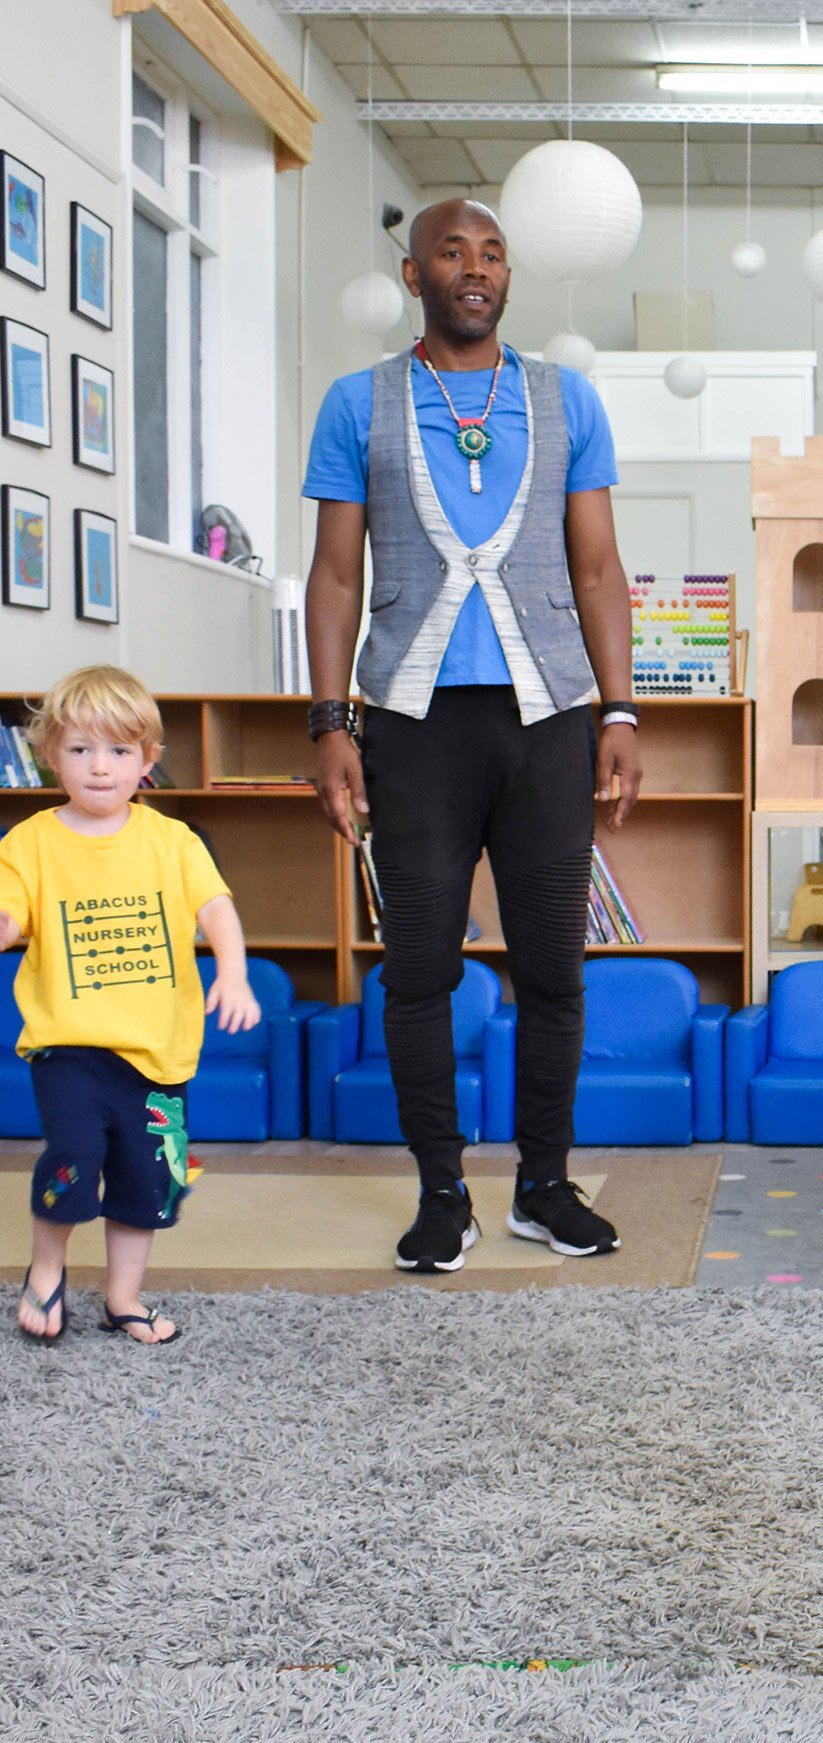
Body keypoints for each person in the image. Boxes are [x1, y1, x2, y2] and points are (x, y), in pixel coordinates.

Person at [304, 198, 641, 1272]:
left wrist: (619, 708)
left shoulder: (564, 399)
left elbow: (596, 568)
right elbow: (335, 573)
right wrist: (329, 722)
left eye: (493, 252)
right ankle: (441, 1191)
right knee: (418, 971)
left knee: (552, 968)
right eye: (452, 251)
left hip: (546, 719)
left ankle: (543, 1184)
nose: (476, 267)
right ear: (414, 276)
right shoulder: (356, 404)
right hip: (410, 723)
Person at [0, 667, 261, 1347]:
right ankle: (47, 1268)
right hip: (71, 1046)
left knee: (153, 1182)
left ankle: (122, 1298)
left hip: (158, 1053)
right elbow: (9, 912)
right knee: (74, 1154)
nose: (98, 767)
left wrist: (232, 974)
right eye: (80, 749)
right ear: (49, 754)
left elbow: (218, 910)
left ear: (147, 761)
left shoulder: (171, 842)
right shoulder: (28, 842)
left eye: (119, 751)